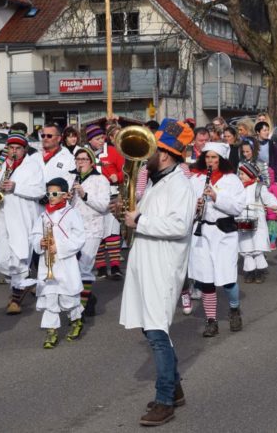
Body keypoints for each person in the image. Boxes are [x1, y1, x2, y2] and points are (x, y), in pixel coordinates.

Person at [118, 118, 196, 427]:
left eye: (151, 151)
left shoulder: (180, 185)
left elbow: (179, 226)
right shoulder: (158, 181)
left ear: (163, 154)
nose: (145, 157)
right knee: (149, 327)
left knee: (157, 333)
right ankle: (174, 390)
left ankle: (165, 401)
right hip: (147, 262)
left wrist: (140, 221)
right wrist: (129, 214)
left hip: (162, 267)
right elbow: (148, 216)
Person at [189, 142, 247, 336]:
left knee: (227, 278)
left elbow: (238, 207)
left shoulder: (232, 180)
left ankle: (234, 309)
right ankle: (211, 321)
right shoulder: (196, 179)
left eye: (214, 157)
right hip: (202, 232)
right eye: (207, 157)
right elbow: (184, 205)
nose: (210, 161)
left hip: (224, 233)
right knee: (206, 279)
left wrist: (216, 197)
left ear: (221, 159)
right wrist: (194, 207)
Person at [0, 132, 45, 314]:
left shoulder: (33, 165)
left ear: (24, 149)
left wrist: (16, 187)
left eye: (18, 148)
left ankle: (15, 297)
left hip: (22, 216)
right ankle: (21, 283)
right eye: (11, 148)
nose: (14, 151)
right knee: (1, 256)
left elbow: (40, 191)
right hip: (1, 214)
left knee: (20, 255)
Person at [29, 177, 86, 348]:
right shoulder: (43, 215)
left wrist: (59, 247)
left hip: (65, 263)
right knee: (50, 298)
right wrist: (40, 242)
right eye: (48, 194)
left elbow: (79, 237)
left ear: (65, 195)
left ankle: (76, 320)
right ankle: (51, 332)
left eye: (54, 194)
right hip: (47, 264)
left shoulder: (72, 213)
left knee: (69, 298)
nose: (51, 197)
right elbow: (34, 235)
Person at [68, 147, 111, 316]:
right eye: (78, 159)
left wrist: (84, 195)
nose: (80, 162)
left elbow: (104, 206)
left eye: (84, 159)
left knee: (84, 267)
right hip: (72, 229)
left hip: (92, 228)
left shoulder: (101, 180)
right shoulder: (69, 177)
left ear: (92, 162)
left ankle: (81, 308)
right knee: (72, 268)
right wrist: (66, 198)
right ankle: (88, 297)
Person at [86, 123, 125, 280]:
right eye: (97, 139)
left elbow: (126, 171)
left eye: (102, 137)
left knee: (112, 231)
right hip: (92, 198)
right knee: (96, 232)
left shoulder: (114, 151)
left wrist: (118, 176)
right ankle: (101, 267)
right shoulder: (84, 153)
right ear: (90, 140)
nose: (101, 141)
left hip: (111, 195)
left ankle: (115, 266)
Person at [237, 161, 277, 284]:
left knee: (257, 246)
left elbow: (269, 198)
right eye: (239, 174)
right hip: (243, 220)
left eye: (242, 174)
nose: (240, 176)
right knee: (246, 247)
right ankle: (249, 272)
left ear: (250, 174)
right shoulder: (238, 188)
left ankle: (259, 271)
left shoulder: (259, 187)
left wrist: (274, 205)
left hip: (258, 222)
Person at [39, 123, 76, 188]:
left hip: (56, 193)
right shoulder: (34, 155)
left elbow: (70, 183)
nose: (45, 138)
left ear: (58, 138)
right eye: (43, 136)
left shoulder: (69, 158)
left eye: (49, 136)